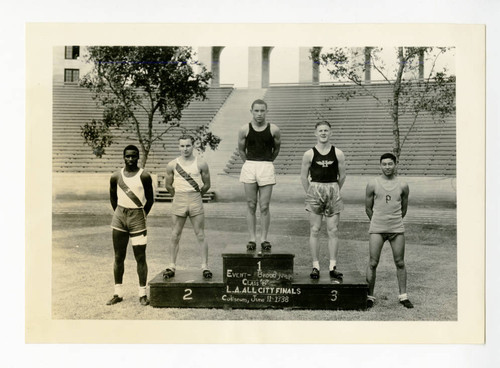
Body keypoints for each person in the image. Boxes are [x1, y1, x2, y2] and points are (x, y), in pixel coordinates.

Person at [107, 145, 155, 306]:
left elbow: (150, 199)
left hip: (137, 218)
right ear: (123, 157)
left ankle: (142, 293)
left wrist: (140, 215)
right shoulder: (115, 176)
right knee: (118, 257)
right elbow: (113, 198)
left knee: (140, 257)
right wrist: (120, 213)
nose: (130, 159)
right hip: (120, 217)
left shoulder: (145, 176)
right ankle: (118, 293)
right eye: (127, 156)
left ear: (138, 157)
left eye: (134, 156)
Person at [365, 153, 413, 309]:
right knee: (373, 262)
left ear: (395, 164)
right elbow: (368, 208)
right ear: (380, 165)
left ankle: (403, 296)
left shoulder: (403, 185)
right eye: (384, 164)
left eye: (390, 164)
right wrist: (378, 221)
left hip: (396, 228)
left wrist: (393, 221)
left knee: (400, 262)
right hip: (377, 228)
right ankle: (369, 296)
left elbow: (404, 209)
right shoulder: (372, 184)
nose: (387, 167)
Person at [300, 121, 346, 281]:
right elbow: (303, 177)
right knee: (315, 229)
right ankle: (315, 266)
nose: (323, 133)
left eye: (326, 130)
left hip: (333, 189)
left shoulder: (338, 153)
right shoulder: (309, 154)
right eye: (320, 130)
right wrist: (311, 193)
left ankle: (333, 267)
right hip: (315, 191)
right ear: (315, 133)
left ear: (331, 132)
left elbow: (343, 175)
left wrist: (334, 189)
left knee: (333, 230)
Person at [162, 135, 212, 279]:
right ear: (179, 147)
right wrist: (178, 196)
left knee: (200, 234)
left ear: (193, 146)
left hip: (195, 198)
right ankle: (171, 266)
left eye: (188, 145)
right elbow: (168, 186)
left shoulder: (201, 163)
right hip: (179, 199)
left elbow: (207, 185)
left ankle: (205, 266)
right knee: (175, 234)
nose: (185, 149)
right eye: (182, 146)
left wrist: (196, 195)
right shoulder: (172, 164)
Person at [238, 99, 281, 251]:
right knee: (251, 204)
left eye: (262, 110)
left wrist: (267, 162)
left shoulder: (273, 129)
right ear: (251, 111)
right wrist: (248, 163)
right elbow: (241, 150)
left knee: (264, 206)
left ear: (266, 111)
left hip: (266, 166)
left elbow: (276, 149)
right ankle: (252, 238)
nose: (259, 114)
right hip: (250, 165)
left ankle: (264, 238)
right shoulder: (245, 129)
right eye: (256, 111)